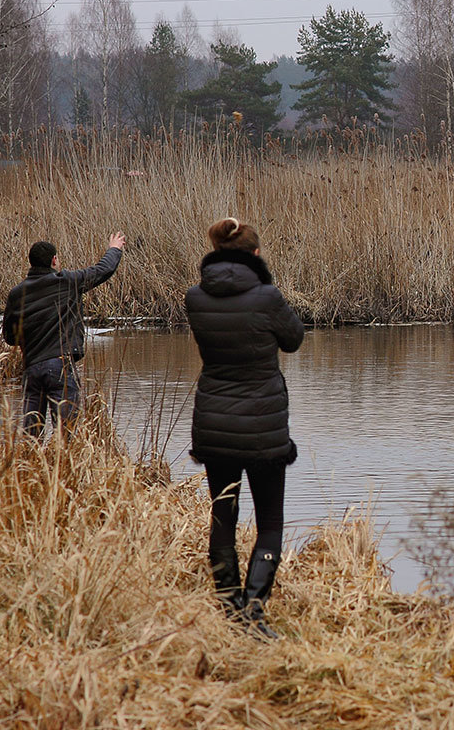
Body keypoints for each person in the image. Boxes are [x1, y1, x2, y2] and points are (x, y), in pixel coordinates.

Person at [186, 217, 304, 639]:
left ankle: (230, 611)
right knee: (270, 520)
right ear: (255, 255)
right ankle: (254, 611)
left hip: (214, 422)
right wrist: (268, 289)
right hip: (264, 425)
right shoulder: (267, 296)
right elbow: (293, 340)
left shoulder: (195, 297)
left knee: (223, 517)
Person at [3, 233, 126, 436]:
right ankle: (64, 467)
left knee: (31, 436)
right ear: (54, 260)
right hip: (59, 366)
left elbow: (10, 337)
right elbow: (103, 270)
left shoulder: (17, 293)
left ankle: (29, 467)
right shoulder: (67, 282)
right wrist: (114, 248)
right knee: (67, 434)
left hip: (31, 369)